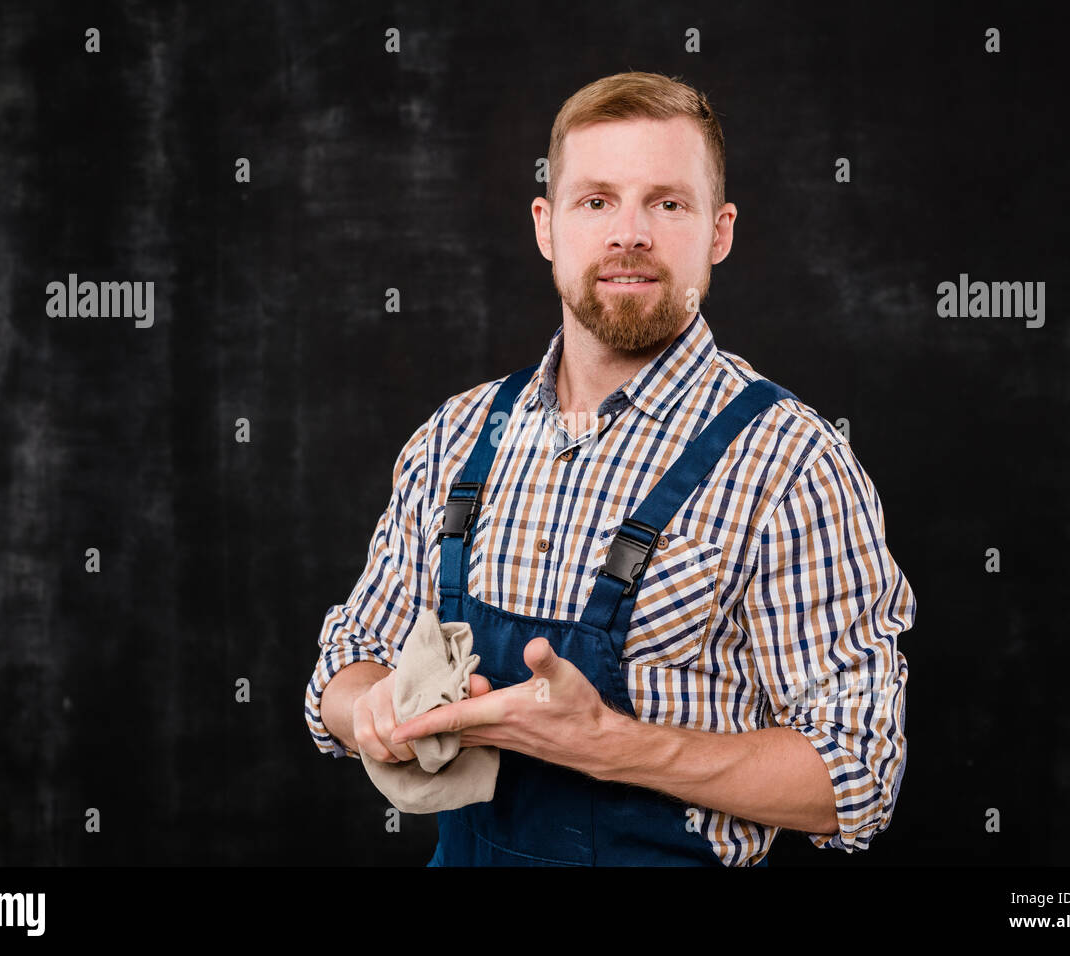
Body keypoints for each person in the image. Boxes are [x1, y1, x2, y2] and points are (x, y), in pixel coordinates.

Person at [304, 71, 917, 867]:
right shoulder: (456, 438)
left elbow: (858, 778)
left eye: (668, 202)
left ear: (720, 232)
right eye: (596, 201)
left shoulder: (790, 464)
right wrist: (373, 710)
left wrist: (610, 745)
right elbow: (348, 661)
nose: (630, 234)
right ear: (546, 225)